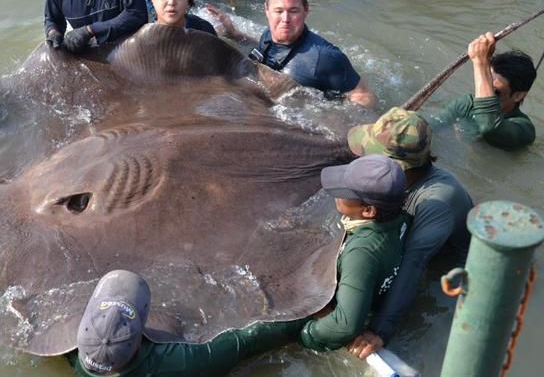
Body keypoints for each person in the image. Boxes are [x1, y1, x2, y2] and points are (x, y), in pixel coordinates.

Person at [344, 107, 473, 359]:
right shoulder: (400, 181)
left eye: (371, 156)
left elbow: (414, 265)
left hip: (448, 273)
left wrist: (380, 330)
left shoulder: (437, 202)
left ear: (398, 166)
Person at [67, 269, 306, 376]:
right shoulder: (180, 363)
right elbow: (247, 341)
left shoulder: (69, 351)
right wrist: (306, 317)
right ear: (138, 342)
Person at [206, 0, 375, 107]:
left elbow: (364, 96)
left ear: (306, 10)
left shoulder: (324, 57)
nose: (285, 19)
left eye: (293, 11)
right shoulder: (268, 35)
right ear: (267, 10)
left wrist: (333, 119)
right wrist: (234, 34)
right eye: (278, 11)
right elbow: (267, 52)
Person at [299, 154, 408, 352]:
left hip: (339, 310)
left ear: (368, 211)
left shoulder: (361, 252)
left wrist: (308, 333)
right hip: (370, 285)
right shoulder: (402, 217)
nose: (337, 194)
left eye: (344, 192)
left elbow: (345, 325)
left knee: (247, 337)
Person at [435, 32, 537, 150]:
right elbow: (433, 127)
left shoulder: (524, 129)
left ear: (518, 95)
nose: (484, 93)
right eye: (484, 84)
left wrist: (481, 63)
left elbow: (490, 127)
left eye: (494, 91)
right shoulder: (467, 104)